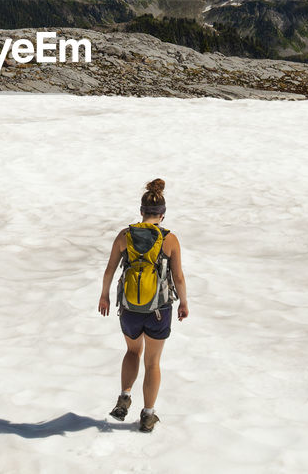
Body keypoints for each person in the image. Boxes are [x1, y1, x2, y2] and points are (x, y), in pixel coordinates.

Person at [98, 178, 189, 433]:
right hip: (158, 310)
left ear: (141, 211)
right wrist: (183, 302)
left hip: (129, 308)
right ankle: (148, 416)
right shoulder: (169, 240)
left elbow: (109, 270)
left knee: (131, 352)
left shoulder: (124, 236)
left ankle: (124, 396)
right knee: (152, 362)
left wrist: (104, 296)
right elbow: (178, 277)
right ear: (162, 214)